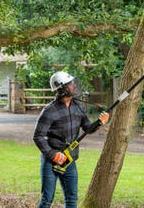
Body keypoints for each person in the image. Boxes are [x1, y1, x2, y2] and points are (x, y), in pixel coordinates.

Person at [33, 71, 109, 208]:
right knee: (47, 199)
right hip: (51, 161)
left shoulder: (77, 106)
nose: (74, 86)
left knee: (72, 199)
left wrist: (99, 122)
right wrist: (53, 155)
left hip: (69, 160)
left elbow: (87, 129)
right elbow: (38, 136)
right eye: (70, 84)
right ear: (61, 89)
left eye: (73, 83)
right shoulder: (49, 111)